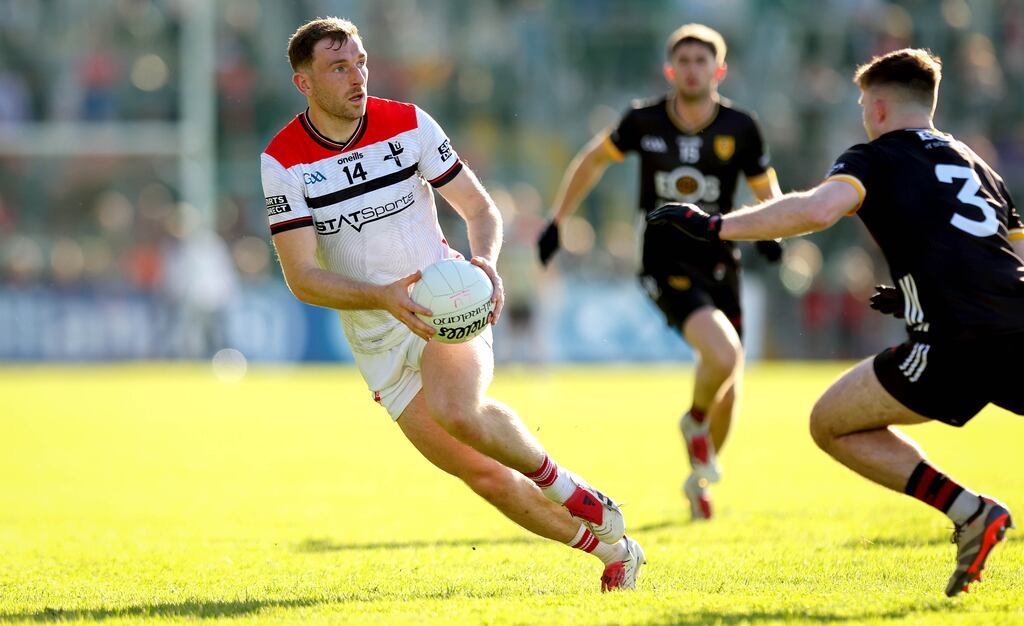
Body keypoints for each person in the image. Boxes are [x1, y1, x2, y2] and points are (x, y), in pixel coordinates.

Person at [260, 17, 644, 592]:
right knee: (484, 476)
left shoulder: (408, 123)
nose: (357, 76)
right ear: (304, 84)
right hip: (377, 336)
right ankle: (614, 552)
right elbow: (303, 277)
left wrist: (484, 260)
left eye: (361, 62)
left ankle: (571, 489)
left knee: (458, 410)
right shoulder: (282, 161)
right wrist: (382, 299)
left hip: (447, 304)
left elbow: (481, 210)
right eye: (339, 68)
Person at [647, 48, 1023, 596]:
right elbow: (1010, 257)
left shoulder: (876, 155)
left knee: (831, 423)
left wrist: (715, 226)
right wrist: (919, 292)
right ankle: (972, 516)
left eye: (862, 105)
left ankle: (970, 512)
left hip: (953, 341)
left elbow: (818, 210)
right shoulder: (979, 165)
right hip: (1014, 322)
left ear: (876, 107)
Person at [538, 23, 783, 520]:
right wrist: (557, 219)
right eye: (684, 61)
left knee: (729, 381)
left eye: (702, 61)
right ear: (670, 70)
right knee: (723, 352)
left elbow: (766, 187)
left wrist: (774, 229)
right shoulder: (643, 121)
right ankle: (694, 424)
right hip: (664, 259)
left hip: (721, 256)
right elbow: (592, 161)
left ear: (720, 70)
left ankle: (698, 478)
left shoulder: (741, 128)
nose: (692, 70)